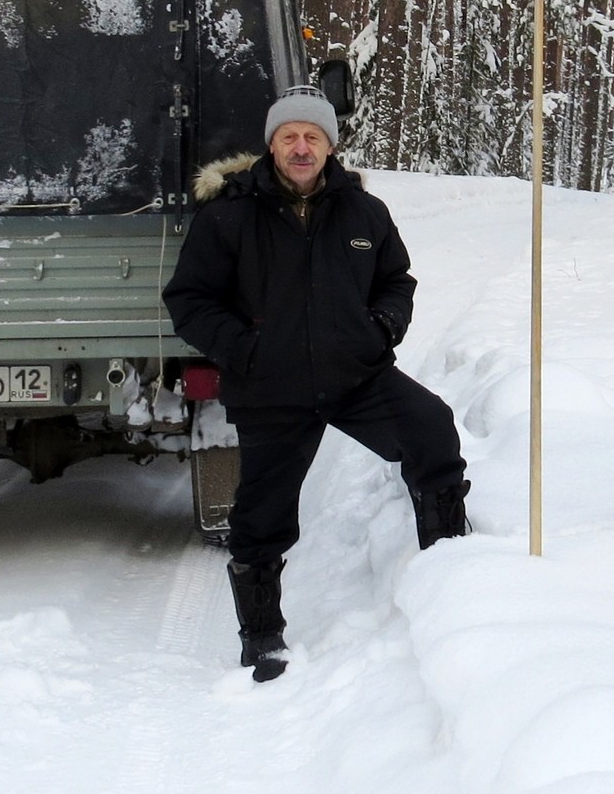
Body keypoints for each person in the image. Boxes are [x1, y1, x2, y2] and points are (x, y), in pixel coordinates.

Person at [163, 88, 470, 680]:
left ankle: (449, 557)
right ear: (272, 144)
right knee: (261, 513)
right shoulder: (229, 214)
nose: (301, 147)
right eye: (289, 136)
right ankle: (262, 634)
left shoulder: (364, 213)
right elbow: (190, 300)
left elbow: (396, 281)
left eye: (313, 137)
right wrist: (243, 348)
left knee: (430, 428)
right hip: (270, 387)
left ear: (330, 144)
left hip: (355, 376)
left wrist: (381, 328)